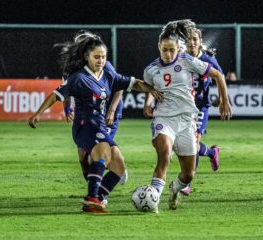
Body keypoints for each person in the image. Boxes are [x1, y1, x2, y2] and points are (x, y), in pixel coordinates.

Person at [29, 34, 163, 214]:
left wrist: (151, 89)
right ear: (87, 57)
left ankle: (97, 198)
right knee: (102, 153)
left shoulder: (108, 74)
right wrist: (38, 114)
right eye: (96, 57)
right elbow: (56, 95)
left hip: (99, 125)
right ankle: (92, 197)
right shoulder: (79, 78)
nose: (100, 60)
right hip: (85, 125)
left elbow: (134, 83)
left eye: (103, 57)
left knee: (118, 168)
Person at [143, 20, 232, 211]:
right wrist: (148, 102)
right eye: (164, 50)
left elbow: (218, 75)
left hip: (186, 120)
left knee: (189, 173)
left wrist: (224, 101)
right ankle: (153, 199)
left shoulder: (188, 61)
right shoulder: (150, 69)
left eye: (172, 50)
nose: (168, 54)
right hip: (163, 118)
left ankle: (175, 189)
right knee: (165, 156)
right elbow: (148, 85)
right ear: (159, 47)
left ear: (178, 48)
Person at [61, 31, 128, 187]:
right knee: (82, 158)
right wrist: (67, 108)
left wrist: (111, 111)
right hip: (87, 115)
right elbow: (66, 89)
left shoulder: (104, 65)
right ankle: (99, 183)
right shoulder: (72, 68)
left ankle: (104, 185)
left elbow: (119, 88)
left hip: (107, 114)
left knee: (95, 154)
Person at [178, 27, 225, 196]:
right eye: (188, 40)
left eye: (195, 39)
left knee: (194, 143)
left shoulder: (207, 59)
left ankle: (187, 183)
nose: (192, 43)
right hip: (183, 107)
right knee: (183, 144)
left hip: (200, 107)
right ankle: (212, 152)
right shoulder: (180, 58)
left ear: (200, 42)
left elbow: (220, 76)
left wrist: (221, 99)